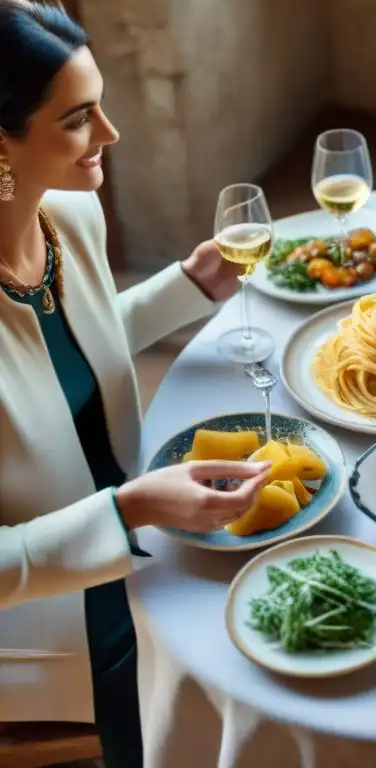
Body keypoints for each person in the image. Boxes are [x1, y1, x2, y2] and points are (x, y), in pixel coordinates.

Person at [0, 2, 272, 765]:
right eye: (80, 118)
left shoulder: (70, 219)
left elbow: (63, 357)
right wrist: (129, 511)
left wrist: (190, 283)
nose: (110, 136)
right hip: (48, 620)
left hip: (138, 528)